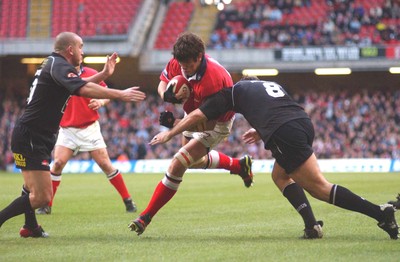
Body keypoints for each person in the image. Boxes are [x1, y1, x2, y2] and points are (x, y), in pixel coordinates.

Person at [140, 77, 399, 240]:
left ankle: (379, 212)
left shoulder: (232, 92)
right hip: (302, 122)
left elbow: (199, 118)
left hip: (283, 132)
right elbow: (269, 107)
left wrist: (171, 130)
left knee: (320, 187)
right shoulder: (267, 85)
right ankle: (312, 226)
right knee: (280, 175)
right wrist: (259, 126)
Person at [0, 31, 146, 238]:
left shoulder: (54, 64)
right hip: (33, 137)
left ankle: (30, 226)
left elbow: (78, 84)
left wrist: (104, 75)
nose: (82, 51)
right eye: (81, 47)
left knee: (29, 187)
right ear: (70, 49)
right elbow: (82, 89)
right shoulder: (59, 65)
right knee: (42, 197)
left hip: (31, 134)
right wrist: (120, 94)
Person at [36, 64, 137, 215]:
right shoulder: (59, 74)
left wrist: (100, 102)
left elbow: (106, 94)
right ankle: (47, 205)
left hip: (89, 128)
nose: (80, 54)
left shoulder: (91, 73)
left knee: (105, 164)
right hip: (67, 129)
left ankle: (128, 200)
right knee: (57, 164)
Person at [157, 32, 253, 187]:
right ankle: (238, 166)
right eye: (183, 66)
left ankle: (147, 212)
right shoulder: (178, 62)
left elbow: (208, 125)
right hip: (193, 109)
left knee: (182, 161)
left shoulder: (211, 80)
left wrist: (175, 123)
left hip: (218, 120)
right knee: (192, 162)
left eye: (189, 66)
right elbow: (162, 83)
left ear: (199, 57)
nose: (185, 69)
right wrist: (166, 96)